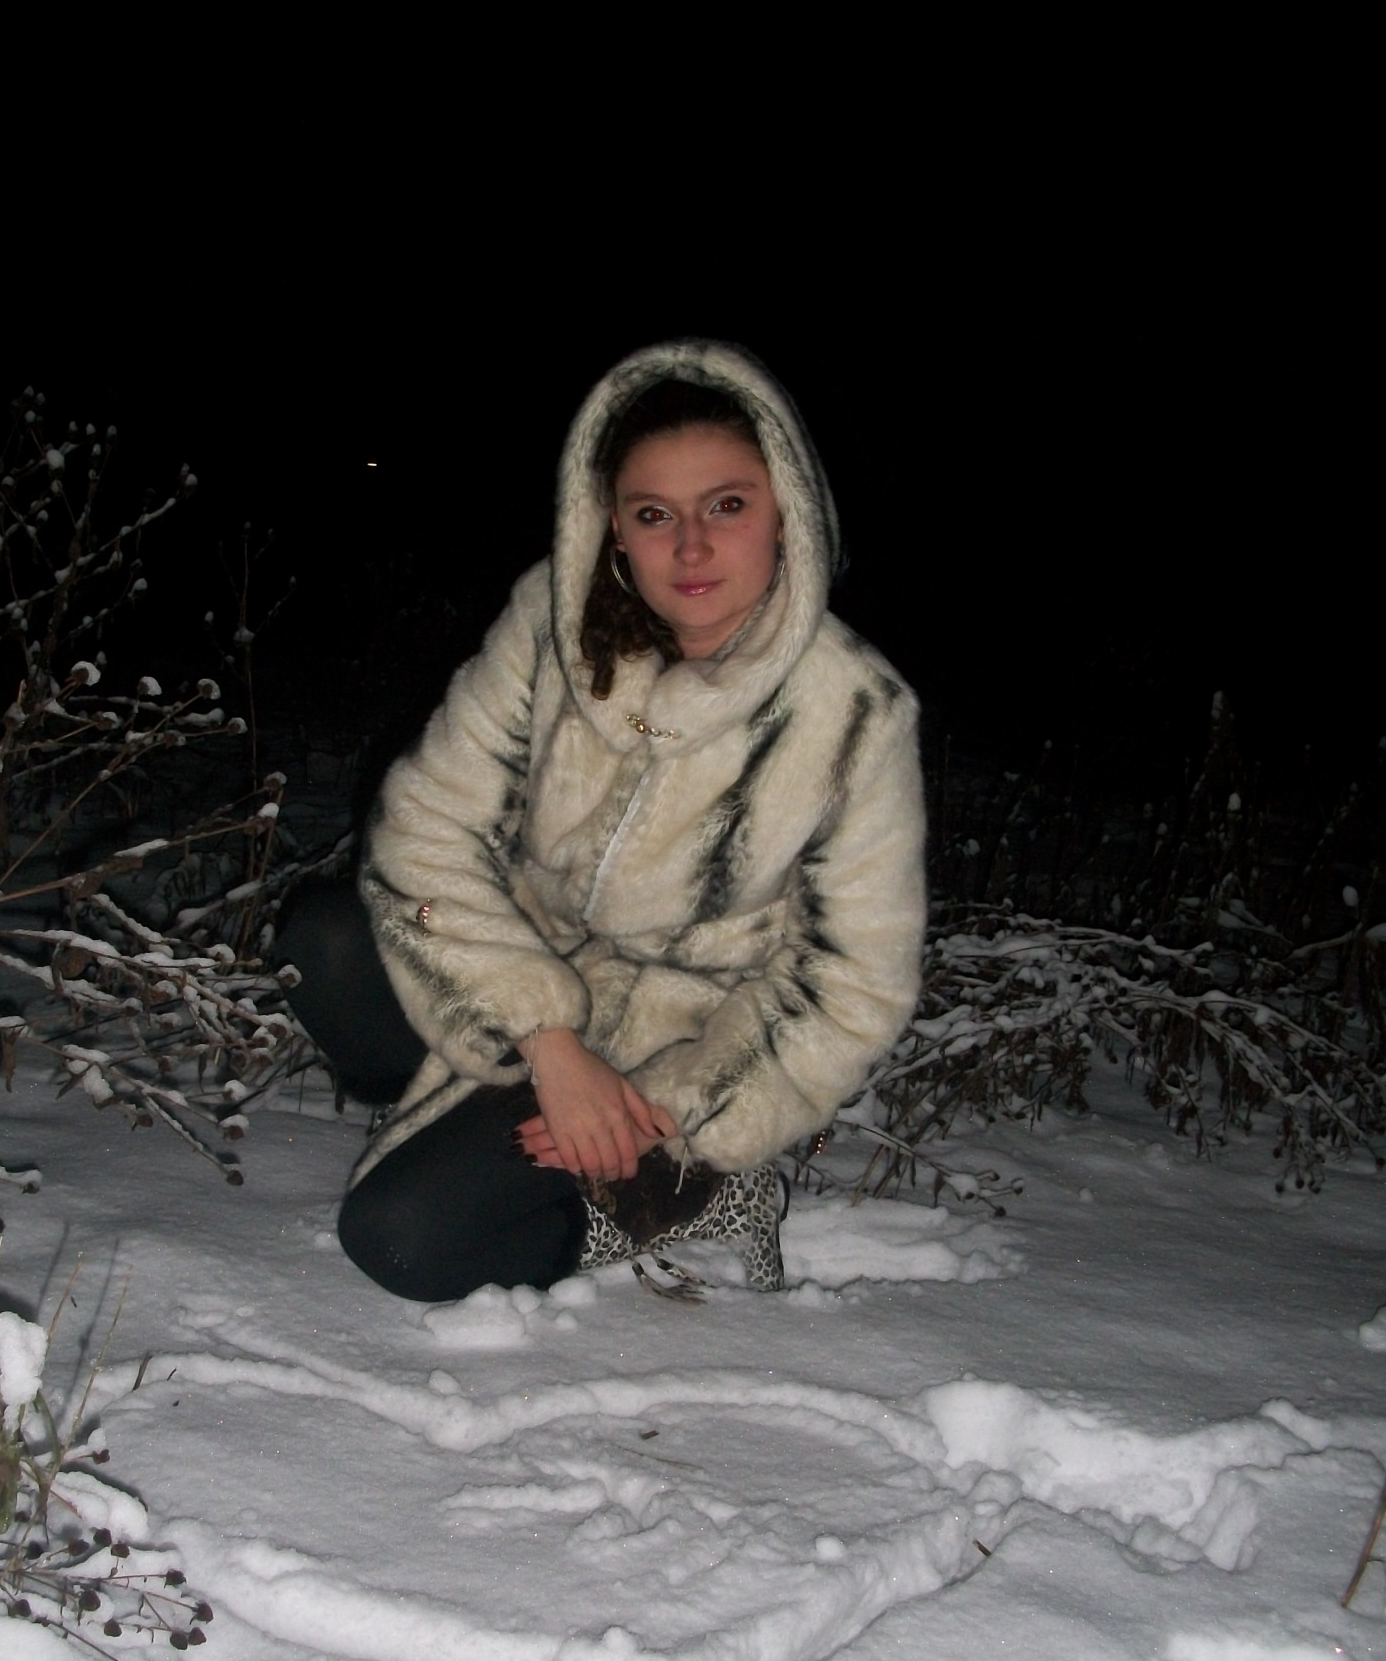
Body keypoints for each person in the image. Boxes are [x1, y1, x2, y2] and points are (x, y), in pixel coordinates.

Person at [279, 339, 926, 1303]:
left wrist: (667, 1110)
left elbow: (854, 984)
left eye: (728, 506)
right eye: (654, 514)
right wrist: (542, 1038)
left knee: (402, 1242)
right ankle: (464, 1114)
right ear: (613, 527)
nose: (691, 547)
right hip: (518, 967)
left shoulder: (856, 712)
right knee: (324, 944)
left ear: (787, 509)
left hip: (674, 1045)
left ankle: (674, 1195)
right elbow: (425, 825)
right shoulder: (554, 625)